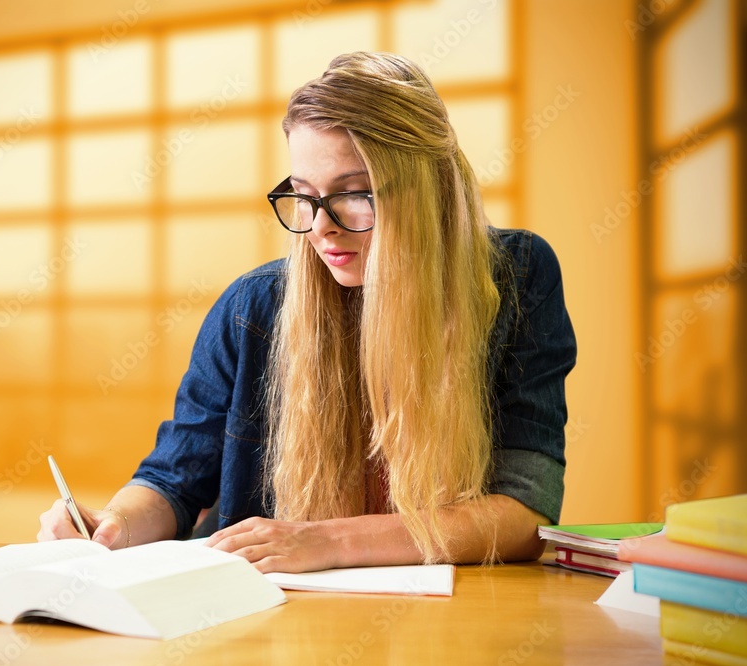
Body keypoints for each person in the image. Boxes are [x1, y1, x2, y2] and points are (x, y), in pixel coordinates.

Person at [37, 51, 577, 574]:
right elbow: (175, 481)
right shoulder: (254, 307)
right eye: (304, 195)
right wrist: (114, 528)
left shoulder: (516, 276)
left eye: (355, 193)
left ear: (430, 188)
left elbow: (524, 516)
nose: (320, 227)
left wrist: (325, 541)